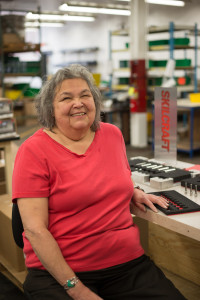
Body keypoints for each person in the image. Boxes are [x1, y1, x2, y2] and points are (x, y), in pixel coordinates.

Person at [12, 64, 186, 300]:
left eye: (85, 95)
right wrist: (78, 290)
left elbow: (112, 177)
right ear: (50, 109)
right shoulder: (33, 151)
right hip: (59, 274)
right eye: (66, 97)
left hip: (126, 266)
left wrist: (130, 191)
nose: (79, 102)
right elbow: (35, 230)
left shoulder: (112, 134)